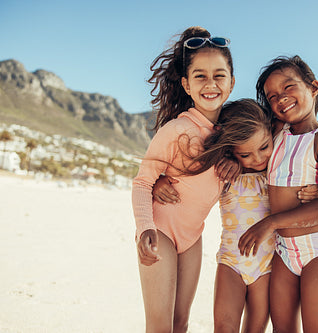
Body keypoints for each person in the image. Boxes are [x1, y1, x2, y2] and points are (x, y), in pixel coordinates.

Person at [153, 99, 318, 332]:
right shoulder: (223, 172)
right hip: (230, 262)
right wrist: (159, 180)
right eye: (246, 154)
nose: (258, 159)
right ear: (232, 150)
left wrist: (316, 189)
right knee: (224, 327)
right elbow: (187, 181)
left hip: (267, 266)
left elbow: (301, 186)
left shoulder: (276, 174)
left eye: (264, 147)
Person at [131, 26, 234, 332]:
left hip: (192, 236)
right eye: (200, 76)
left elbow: (257, 156)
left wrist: (236, 165)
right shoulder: (176, 130)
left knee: (181, 322)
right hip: (160, 230)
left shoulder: (232, 134)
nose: (211, 83)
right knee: (160, 324)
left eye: (219, 75)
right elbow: (142, 182)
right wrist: (144, 228)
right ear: (187, 85)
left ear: (231, 82)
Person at [238, 55, 318, 333]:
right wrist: (231, 160)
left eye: (288, 87)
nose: (281, 98)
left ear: (313, 87)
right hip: (284, 252)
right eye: (272, 95)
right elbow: (244, 143)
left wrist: (270, 222)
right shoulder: (276, 134)